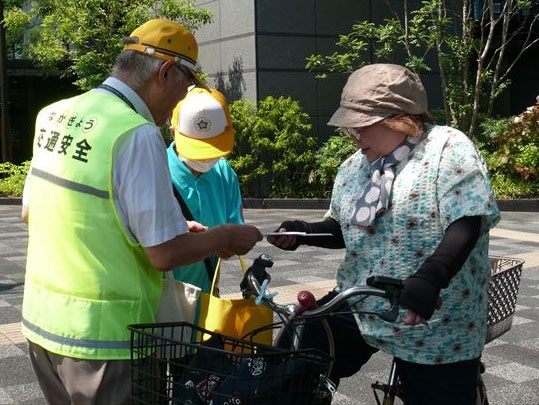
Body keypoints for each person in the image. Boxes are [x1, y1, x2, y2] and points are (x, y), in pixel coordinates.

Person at [21, 19, 261, 404]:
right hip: (105, 340)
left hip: (42, 323)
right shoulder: (136, 133)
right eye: (186, 86)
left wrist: (174, 226)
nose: (179, 101)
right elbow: (164, 253)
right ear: (166, 72)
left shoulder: (55, 113)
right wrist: (224, 237)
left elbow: (33, 212)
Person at [268, 63, 500, 405]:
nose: (355, 135)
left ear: (399, 118)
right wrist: (304, 232)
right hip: (363, 301)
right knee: (297, 355)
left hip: (433, 313)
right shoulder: (354, 167)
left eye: (362, 125)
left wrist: (432, 276)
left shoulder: (447, 148)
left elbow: (466, 222)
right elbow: (344, 228)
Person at [167, 87, 244, 293]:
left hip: (209, 299)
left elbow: (234, 231)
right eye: (196, 148)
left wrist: (230, 243)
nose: (204, 158)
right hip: (161, 304)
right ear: (173, 132)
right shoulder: (154, 171)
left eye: (212, 148)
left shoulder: (224, 172)